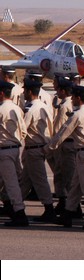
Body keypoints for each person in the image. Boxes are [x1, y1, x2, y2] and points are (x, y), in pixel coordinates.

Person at [46, 85, 84, 230]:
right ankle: (68, 215)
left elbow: (63, 132)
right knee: (75, 187)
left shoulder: (77, 115)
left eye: (73, 97)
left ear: (78, 98)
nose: (71, 99)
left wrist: (49, 147)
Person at [20, 78, 55, 223]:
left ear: (29, 91)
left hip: (34, 148)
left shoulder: (30, 109)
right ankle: (14, 205)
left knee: (40, 181)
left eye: (24, 91)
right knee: (24, 181)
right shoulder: (44, 105)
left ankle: (49, 209)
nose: (23, 93)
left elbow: (22, 128)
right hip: (39, 146)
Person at [0, 80, 28, 226]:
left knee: (11, 184)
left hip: (4, 150)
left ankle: (19, 213)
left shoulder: (1, 109)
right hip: (14, 148)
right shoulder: (17, 108)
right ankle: (11, 208)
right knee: (9, 182)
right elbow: (23, 130)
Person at [52, 77, 77, 216]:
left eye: (58, 90)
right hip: (67, 144)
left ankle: (71, 207)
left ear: (63, 91)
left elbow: (59, 129)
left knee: (65, 176)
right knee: (63, 176)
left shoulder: (65, 106)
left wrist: (52, 145)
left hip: (65, 145)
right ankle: (64, 204)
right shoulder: (68, 103)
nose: (56, 92)